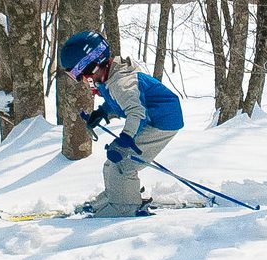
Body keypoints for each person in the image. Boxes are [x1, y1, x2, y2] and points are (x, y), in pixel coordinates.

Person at [60, 30, 184, 217]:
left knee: (125, 162)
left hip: (163, 121)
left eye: (81, 75)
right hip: (153, 117)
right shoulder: (110, 77)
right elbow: (120, 103)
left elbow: (137, 113)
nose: (83, 81)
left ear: (93, 66)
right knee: (112, 163)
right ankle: (115, 197)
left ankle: (125, 206)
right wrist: (102, 112)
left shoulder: (121, 82)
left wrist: (124, 139)